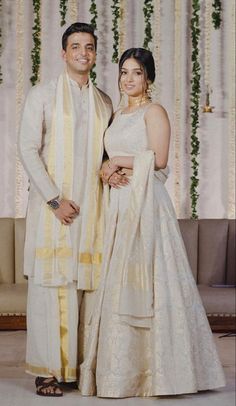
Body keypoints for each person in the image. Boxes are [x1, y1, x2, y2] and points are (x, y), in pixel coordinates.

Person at [79, 48, 225, 398]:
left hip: (146, 205)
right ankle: (119, 374)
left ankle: (161, 374)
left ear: (149, 78)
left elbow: (158, 159)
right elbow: (106, 158)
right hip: (118, 206)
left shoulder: (154, 111)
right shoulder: (114, 115)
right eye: (124, 72)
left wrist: (117, 161)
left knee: (153, 280)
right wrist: (105, 169)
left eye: (137, 73)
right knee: (115, 281)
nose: (129, 79)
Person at [18, 22, 113, 397]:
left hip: (92, 209)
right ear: (63, 53)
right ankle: (47, 372)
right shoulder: (42, 95)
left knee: (84, 288)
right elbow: (27, 149)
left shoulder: (104, 101)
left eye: (89, 47)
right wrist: (54, 199)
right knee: (50, 287)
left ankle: (76, 367)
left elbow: (108, 152)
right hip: (52, 208)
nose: (82, 53)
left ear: (94, 53)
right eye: (75, 47)